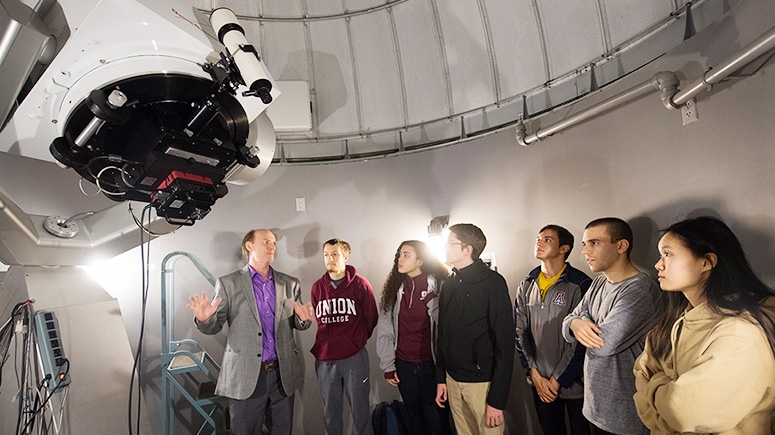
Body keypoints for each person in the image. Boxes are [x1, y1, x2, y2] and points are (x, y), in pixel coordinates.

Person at [633, 216, 775, 434]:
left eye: (668, 254)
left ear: (706, 262)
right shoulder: (676, 319)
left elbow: (683, 413)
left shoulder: (741, 333)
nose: (657, 264)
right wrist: (667, 393)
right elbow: (640, 373)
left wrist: (658, 385)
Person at [186, 229, 310, 435]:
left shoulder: (290, 283)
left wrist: (303, 320)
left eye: (274, 243)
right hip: (246, 377)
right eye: (266, 242)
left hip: (283, 376)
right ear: (249, 246)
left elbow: (298, 324)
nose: (272, 247)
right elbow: (214, 327)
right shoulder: (228, 283)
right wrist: (205, 319)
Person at [561, 217, 661, 435]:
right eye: (584, 244)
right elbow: (569, 320)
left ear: (621, 246)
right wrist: (576, 322)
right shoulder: (599, 282)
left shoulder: (639, 290)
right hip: (595, 407)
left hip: (626, 415)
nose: (585, 251)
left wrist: (578, 322)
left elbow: (603, 343)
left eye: (594, 243)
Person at [435, 223, 514, 435]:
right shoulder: (450, 283)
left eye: (450, 244)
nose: (444, 248)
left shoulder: (493, 283)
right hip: (453, 379)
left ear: (467, 249)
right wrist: (441, 378)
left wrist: (497, 400)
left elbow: (505, 343)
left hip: (482, 384)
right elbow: (442, 334)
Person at [292, 238, 378, 435]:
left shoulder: (361, 284)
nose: (330, 259)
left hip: (354, 358)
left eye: (335, 254)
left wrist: (354, 341)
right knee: (330, 413)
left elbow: (371, 318)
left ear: (346, 256)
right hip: (326, 360)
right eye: (326, 255)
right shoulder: (317, 287)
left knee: (361, 412)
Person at [515, 225, 592, 435]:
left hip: (575, 383)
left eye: (547, 239)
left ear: (563, 248)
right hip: (539, 382)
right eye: (538, 238)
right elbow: (520, 332)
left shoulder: (580, 284)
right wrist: (534, 373)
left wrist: (558, 379)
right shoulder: (527, 284)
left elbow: (582, 340)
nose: (539, 242)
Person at [376, 240, 452, 435]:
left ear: (420, 260)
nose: (399, 260)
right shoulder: (395, 288)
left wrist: (432, 300)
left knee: (436, 420)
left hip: (431, 365)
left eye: (406, 255)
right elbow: (385, 329)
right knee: (414, 419)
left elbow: (447, 323)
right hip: (404, 365)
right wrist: (388, 365)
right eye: (399, 255)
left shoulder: (440, 284)